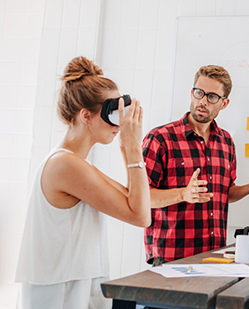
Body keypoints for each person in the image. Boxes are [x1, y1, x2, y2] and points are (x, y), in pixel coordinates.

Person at [15, 56, 151, 308]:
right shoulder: (65, 165)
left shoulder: (75, 163)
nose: (119, 123)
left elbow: (137, 200)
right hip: (61, 293)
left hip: (75, 284)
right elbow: (141, 216)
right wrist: (133, 148)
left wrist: (126, 149)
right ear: (85, 116)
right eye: (113, 114)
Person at [142, 65, 249, 265]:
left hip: (215, 257)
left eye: (212, 97)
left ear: (224, 103)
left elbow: (224, 193)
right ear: (192, 93)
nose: (202, 101)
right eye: (199, 93)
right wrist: (183, 194)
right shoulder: (160, 139)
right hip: (171, 257)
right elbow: (141, 197)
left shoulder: (226, 142)